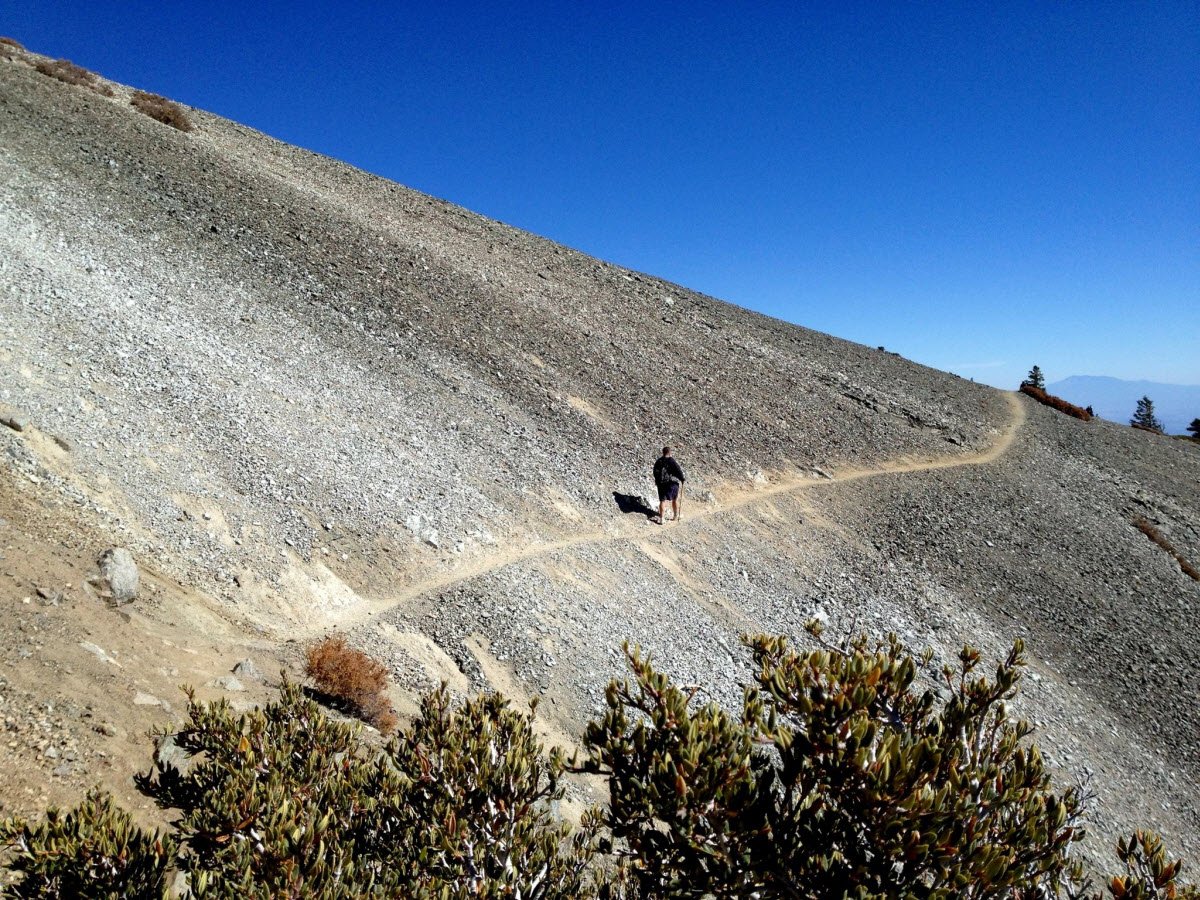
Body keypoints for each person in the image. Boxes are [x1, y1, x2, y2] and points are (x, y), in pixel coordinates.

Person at [652, 446, 686, 524]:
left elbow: (655, 471)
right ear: (670, 452)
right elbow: (678, 470)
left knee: (662, 500)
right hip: (671, 483)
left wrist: (657, 480)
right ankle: (675, 516)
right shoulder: (671, 461)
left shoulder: (659, 461)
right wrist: (682, 479)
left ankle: (661, 518)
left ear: (663, 452)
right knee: (674, 499)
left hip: (661, 483)